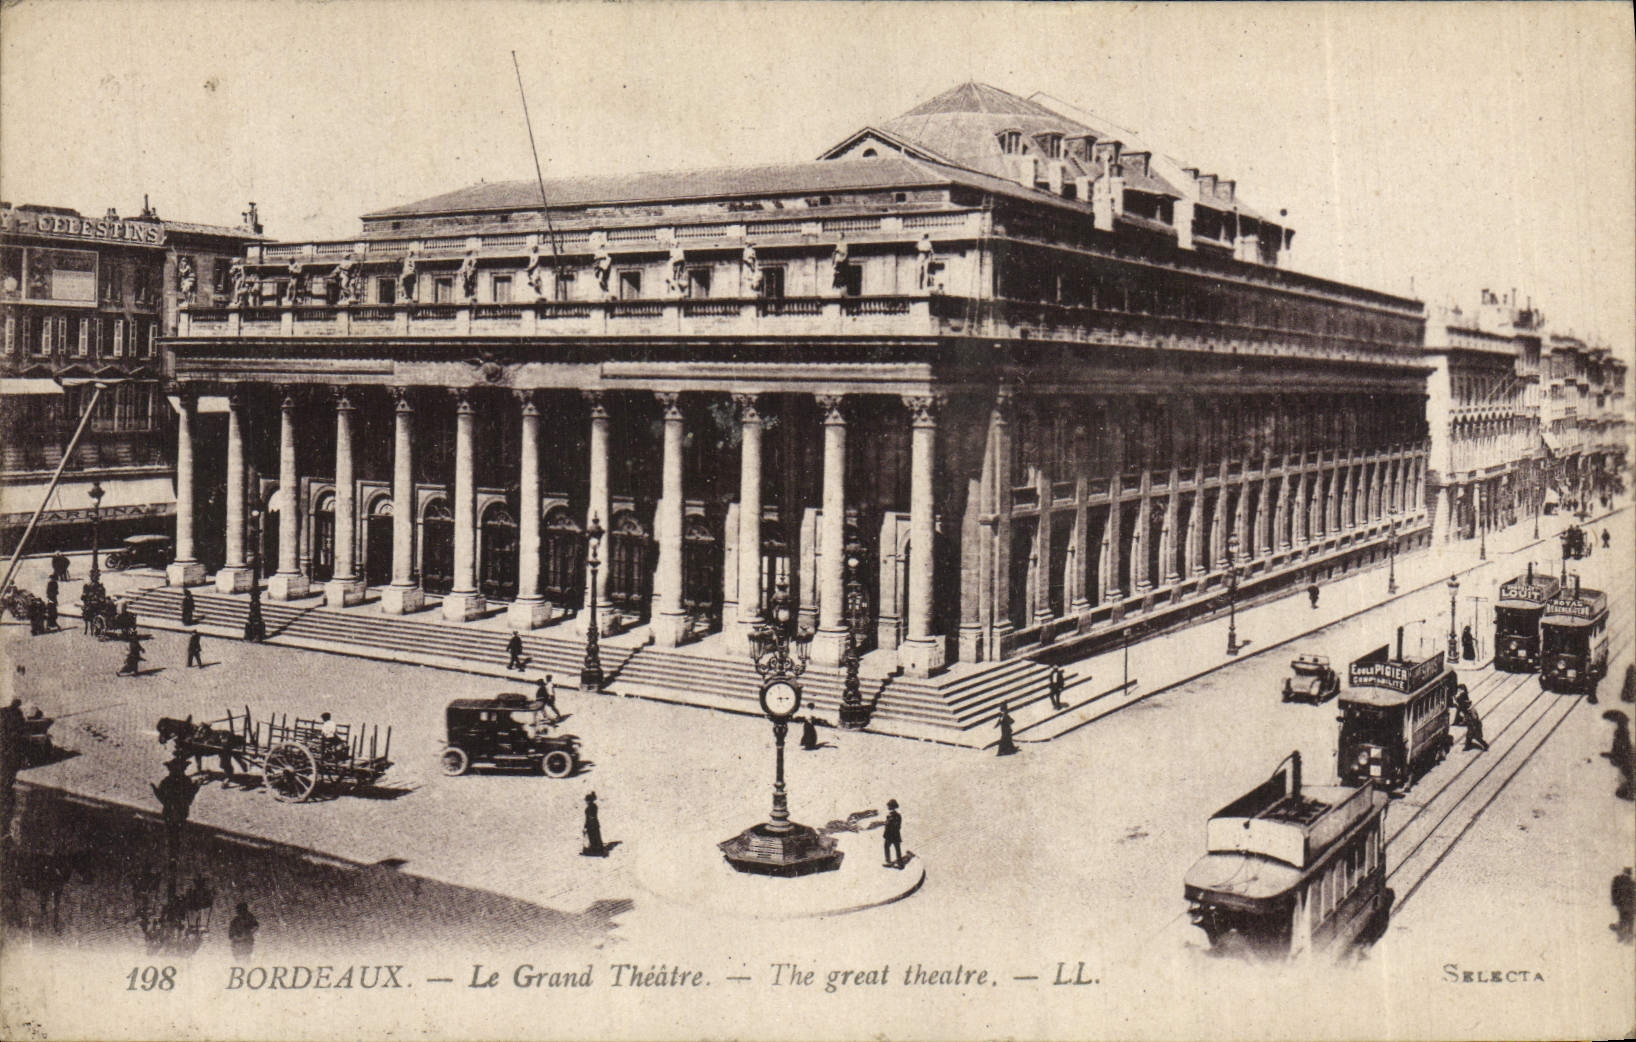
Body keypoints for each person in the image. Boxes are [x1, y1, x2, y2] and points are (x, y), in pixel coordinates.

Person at [152, 756, 199, 869]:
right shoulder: (186, 781)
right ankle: (174, 855)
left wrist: (155, 790)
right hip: (181, 812)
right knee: (176, 833)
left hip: (169, 812)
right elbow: (190, 796)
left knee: (171, 833)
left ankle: (172, 856)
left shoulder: (167, 781)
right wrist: (196, 787)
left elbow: (162, 797)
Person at [581, 792, 606, 857]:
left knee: (593, 837)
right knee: (596, 837)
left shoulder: (590, 807)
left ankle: (596, 850)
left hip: (591, 825)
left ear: (588, 801)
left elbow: (589, 818)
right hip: (594, 824)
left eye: (586, 800)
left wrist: (586, 826)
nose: (585, 802)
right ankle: (598, 849)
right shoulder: (594, 806)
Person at [1613, 868, 1634, 945]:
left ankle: (1623, 938)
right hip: (1626, 906)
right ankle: (1626, 939)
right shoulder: (1631, 882)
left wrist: (1615, 903)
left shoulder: (1618, 880)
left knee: (1624, 920)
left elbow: (1614, 892)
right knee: (1627, 921)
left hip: (1625, 906)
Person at [883, 799, 903, 868]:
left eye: (889, 806)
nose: (888, 807)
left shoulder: (894, 815)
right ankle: (899, 863)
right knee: (896, 849)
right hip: (894, 835)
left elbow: (896, 825)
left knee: (889, 848)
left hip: (891, 835)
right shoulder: (892, 815)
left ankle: (889, 862)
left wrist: (888, 824)